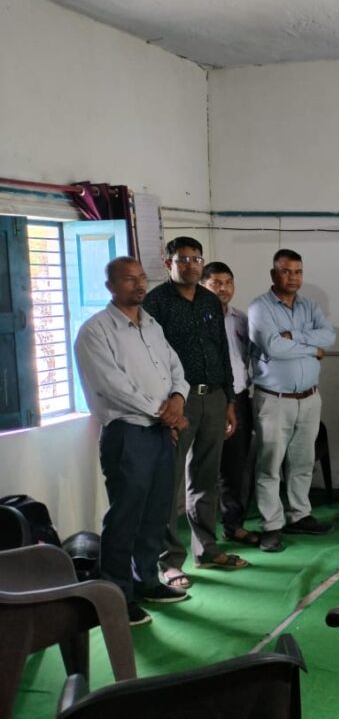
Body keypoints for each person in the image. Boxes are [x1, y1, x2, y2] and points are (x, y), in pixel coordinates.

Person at [74, 257, 191, 625]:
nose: (139, 285)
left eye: (141, 278)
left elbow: (176, 368)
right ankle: (117, 596)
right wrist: (165, 412)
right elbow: (113, 386)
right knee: (125, 515)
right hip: (127, 433)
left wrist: (178, 398)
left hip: (159, 432)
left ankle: (146, 581)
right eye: (129, 279)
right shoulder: (95, 331)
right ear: (110, 286)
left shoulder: (151, 325)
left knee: (156, 513)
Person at [144, 237, 247, 586]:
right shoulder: (156, 302)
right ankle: (169, 561)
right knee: (169, 481)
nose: (190, 265)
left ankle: (206, 549)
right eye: (183, 259)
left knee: (205, 478)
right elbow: (152, 358)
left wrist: (229, 400)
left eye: (196, 259)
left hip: (213, 397)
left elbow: (222, 351)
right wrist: (166, 406)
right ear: (168, 263)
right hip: (177, 402)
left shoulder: (209, 300)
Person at [249, 249, 337, 552]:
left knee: (302, 462)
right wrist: (311, 347)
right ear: (273, 274)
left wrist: (294, 336)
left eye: (298, 272)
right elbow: (274, 347)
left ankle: (299, 515)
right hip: (274, 400)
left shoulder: (309, 305)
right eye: (286, 271)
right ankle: (271, 526)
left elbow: (329, 336)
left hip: (310, 398)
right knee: (270, 465)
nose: (293, 277)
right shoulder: (259, 307)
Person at [201, 261, 259, 547]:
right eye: (215, 283)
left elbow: (248, 356)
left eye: (227, 283)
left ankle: (234, 525)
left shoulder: (240, 319)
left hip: (239, 397)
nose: (223, 289)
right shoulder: (197, 320)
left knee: (237, 467)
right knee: (203, 470)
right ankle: (203, 537)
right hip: (208, 400)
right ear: (203, 286)